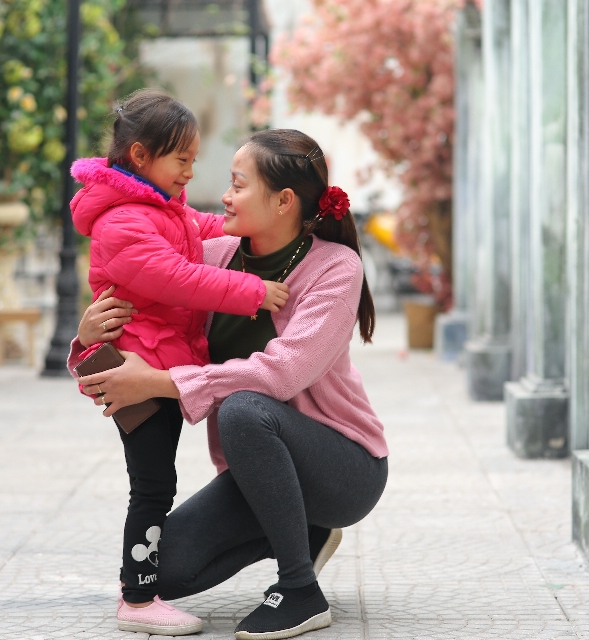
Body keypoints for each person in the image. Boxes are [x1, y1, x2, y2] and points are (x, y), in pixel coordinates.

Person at [72, 129, 389, 640]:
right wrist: (87, 338)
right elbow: (148, 313)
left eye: (238, 184)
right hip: (259, 469)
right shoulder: (215, 257)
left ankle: (299, 589)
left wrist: (158, 382)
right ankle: (304, 532)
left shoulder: (335, 268)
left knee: (246, 406)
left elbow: (281, 373)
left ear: (284, 201)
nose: (223, 196)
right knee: (162, 569)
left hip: (343, 468)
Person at [70, 89, 292, 635]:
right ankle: (138, 601)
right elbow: (177, 278)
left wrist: (251, 226)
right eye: (182, 160)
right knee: (151, 486)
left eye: (194, 160)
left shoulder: (157, 208)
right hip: (134, 372)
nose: (190, 172)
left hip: (154, 362)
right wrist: (250, 290)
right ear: (141, 156)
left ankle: (141, 590)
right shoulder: (123, 222)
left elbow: (200, 227)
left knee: (157, 482)